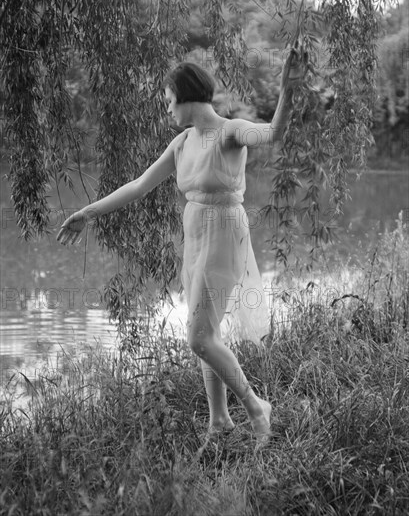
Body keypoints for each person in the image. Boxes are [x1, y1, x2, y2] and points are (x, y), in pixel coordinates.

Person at [57, 49, 304, 444]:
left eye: (169, 99)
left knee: (198, 338)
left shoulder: (229, 131)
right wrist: (88, 212)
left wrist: (286, 94)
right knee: (207, 331)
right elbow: (138, 186)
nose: (167, 107)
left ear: (185, 95)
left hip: (224, 233)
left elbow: (271, 133)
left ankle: (257, 407)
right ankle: (219, 421)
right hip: (196, 237)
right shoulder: (182, 142)